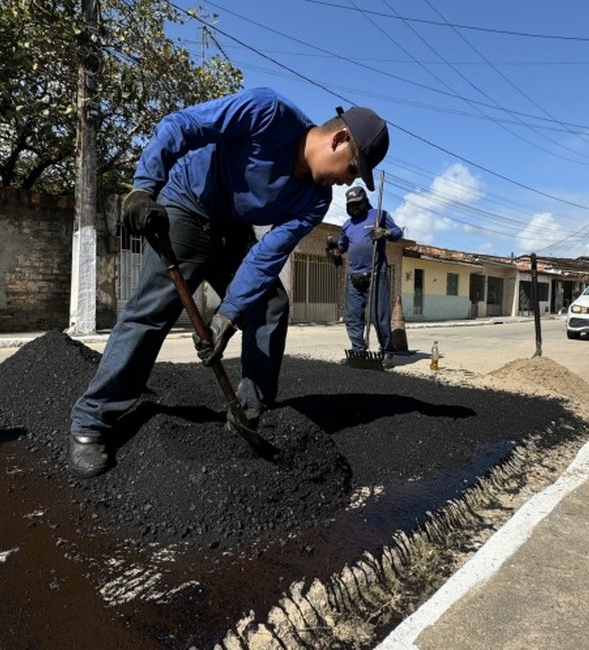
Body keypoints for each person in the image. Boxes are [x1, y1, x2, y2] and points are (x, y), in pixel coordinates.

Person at [68, 87, 389, 478]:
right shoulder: (269, 112)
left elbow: (266, 256)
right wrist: (144, 186)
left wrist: (228, 316)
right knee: (151, 311)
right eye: (353, 170)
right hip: (187, 205)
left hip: (232, 230)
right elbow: (182, 125)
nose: (347, 183)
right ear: (339, 140)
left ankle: (251, 411)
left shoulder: (314, 200)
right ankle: (91, 423)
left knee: (270, 304)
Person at [330, 185, 403, 368]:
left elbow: (398, 232)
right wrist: (335, 252)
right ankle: (357, 351)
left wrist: (386, 232)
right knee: (353, 316)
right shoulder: (347, 225)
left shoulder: (379, 215)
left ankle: (387, 352)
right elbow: (342, 246)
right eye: (351, 205)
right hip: (353, 276)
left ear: (364, 202)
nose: (354, 207)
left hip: (376, 272)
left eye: (357, 204)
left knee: (379, 315)